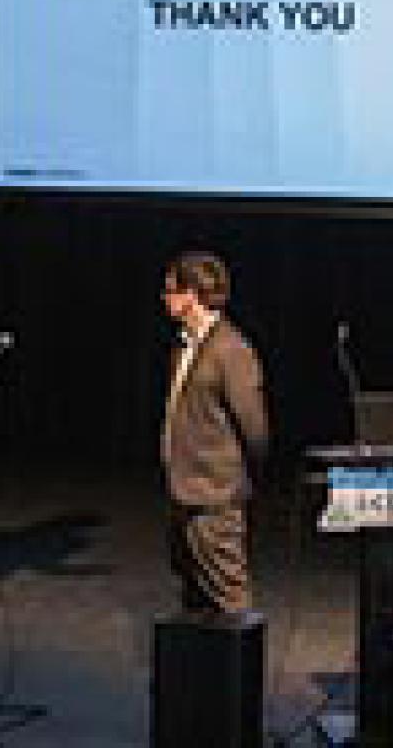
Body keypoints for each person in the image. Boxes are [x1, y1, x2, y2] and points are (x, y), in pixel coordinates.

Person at [160, 251, 269, 619]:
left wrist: (237, 481)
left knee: (228, 595)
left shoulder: (231, 349)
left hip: (215, 495)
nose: (165, 297)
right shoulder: (184, 345)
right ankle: (198, 673)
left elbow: (254, 427)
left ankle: (237, 675)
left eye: (171, 290)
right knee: (193, 593)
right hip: (183, 491)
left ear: (192, 294)